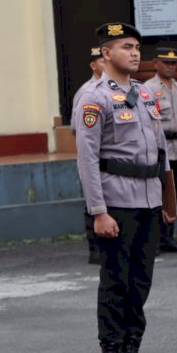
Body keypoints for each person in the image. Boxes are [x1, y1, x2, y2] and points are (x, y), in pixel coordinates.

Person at [75, 22, 172, 353]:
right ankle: (113, 349)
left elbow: (161, 153)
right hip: (116, 203)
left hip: (148, 201)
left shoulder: (145, 95)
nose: (133, 53)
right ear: (106, 53)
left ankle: (133, 344)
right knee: (116, 279)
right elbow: (87, 158)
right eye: (125, 47)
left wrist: (168, 201)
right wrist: (98, 211)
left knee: (141, 278)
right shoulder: (94, 97)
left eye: (136, 47)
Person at [143, 47, 177, 253]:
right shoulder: (148, 88)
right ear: (155, 63)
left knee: (174, 192)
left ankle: (167, 237)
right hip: (158, 149)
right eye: (166, 62)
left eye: (173, 63)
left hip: (176, 147)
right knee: (156, 193)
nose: (170, 67)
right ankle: (155, 239)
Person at [71, 46, 106, 265]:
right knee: (92, 203)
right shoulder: (87, 92)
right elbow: (79, 128)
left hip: (112, 161)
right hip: (94, 156)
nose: (106, 65)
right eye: (101, 61)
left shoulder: (114, 89)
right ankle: (95, 249)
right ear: (94, 65)